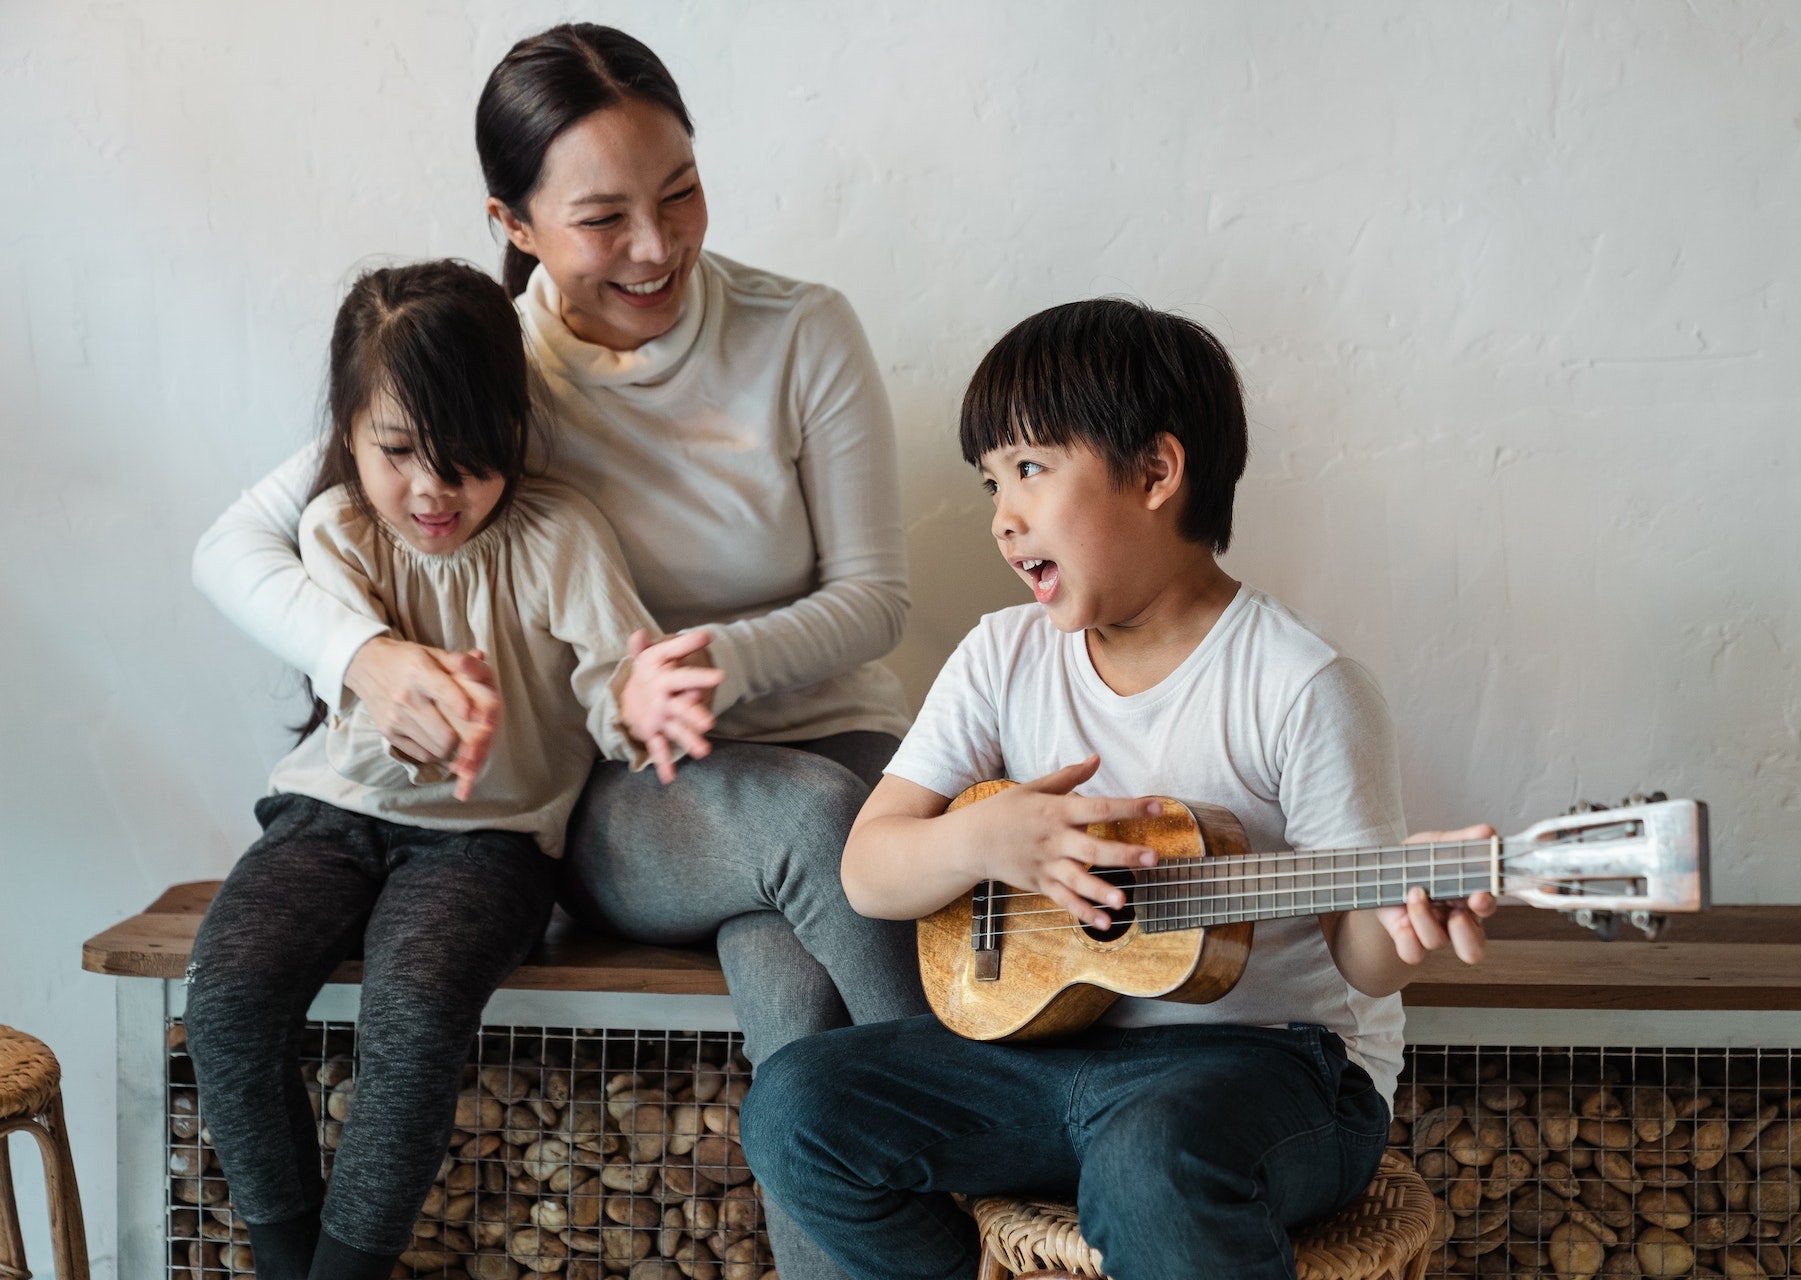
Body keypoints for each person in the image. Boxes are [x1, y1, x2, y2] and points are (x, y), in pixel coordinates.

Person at [192, 25, 928, 1277]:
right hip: (642, 796)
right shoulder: (478, 370)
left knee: (791, 991)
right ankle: (988, 1127)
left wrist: (702, 665)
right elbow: (235, 544)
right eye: (603, 218)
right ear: (516, 221)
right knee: (810, 821)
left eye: (680, 190)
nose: (657, 246)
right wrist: (366, 658)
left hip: (838, 744)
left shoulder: (803, 331)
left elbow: (875, 597)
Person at [738, 299, 1499, 1280]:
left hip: (1273, 1071)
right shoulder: (1000, 656)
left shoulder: (1301, 685)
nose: (1003, 515)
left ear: (1156, 471)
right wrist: (988, 841)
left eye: (1031, 468)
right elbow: (869, 871)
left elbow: (1362, 958)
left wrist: (1407, 926)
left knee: (1150, 1160)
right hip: (1051, 1059)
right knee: (798, 1104)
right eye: (991, 481)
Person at [184, 259, 668, 1280]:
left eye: (466, 456)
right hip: (329, 810)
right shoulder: (336, 529)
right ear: (347, 433)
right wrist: (406, 712)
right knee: (228, 991)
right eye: (397, 450)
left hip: (487, 839)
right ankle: (288, 1258)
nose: (432, 490)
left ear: (514, 429)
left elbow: (616, 681)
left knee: (413, 1005)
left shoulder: (561, 535)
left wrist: (644, 707)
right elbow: (361, 705)